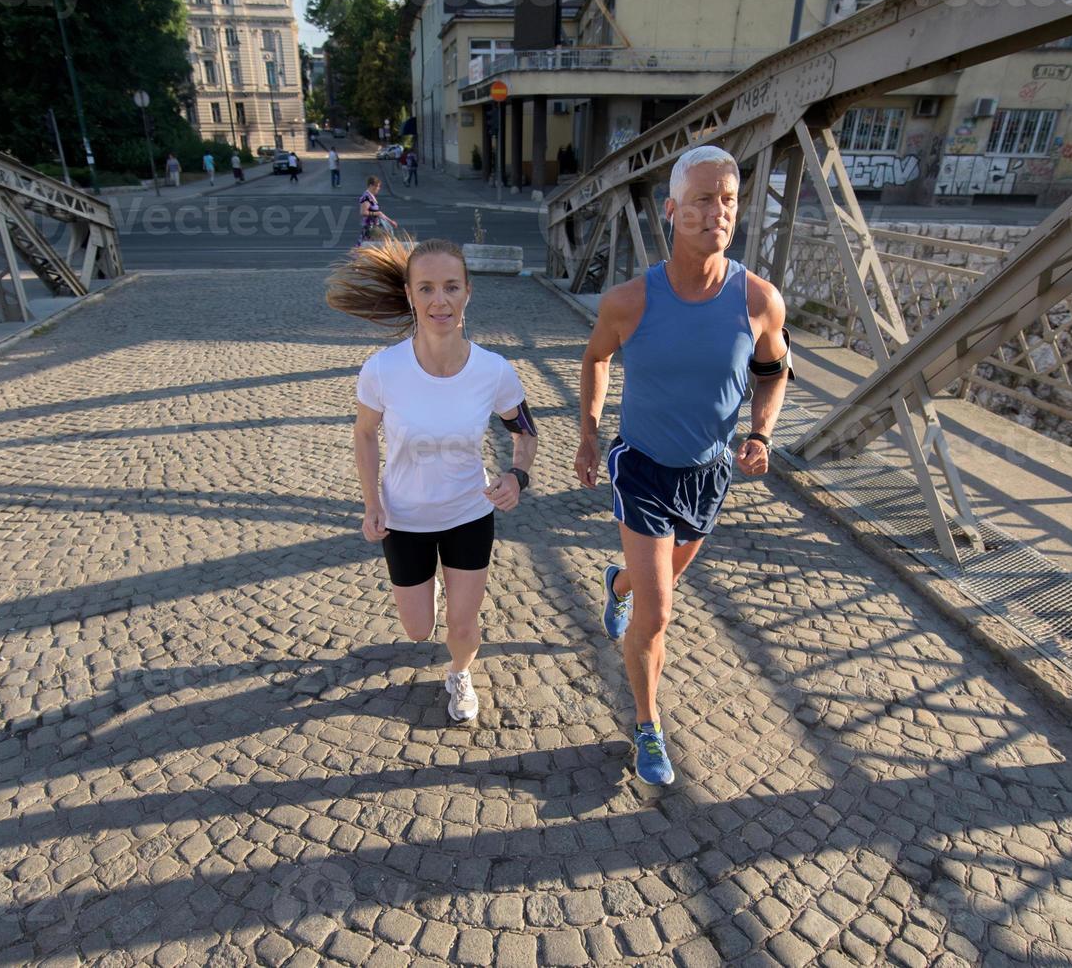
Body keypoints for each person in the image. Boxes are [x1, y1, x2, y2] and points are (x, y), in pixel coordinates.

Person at [574, 145, 789, 786]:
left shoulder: (759, 300)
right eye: (701, 199)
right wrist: (588, 432)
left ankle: (617, 584)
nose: (716, 212)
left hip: (708, 474)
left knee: (652, 581)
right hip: (641, 467)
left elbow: (774, 370)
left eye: (727, 199)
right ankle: (647, 726)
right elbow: (594, 360)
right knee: (661, 612)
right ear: (671, 210)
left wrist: (761, 432)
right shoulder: (629, 301)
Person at [328, 236, 539, 723]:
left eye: (450, 287)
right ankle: (432, 594)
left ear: (468, 292)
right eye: (426, 289)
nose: (438, 300)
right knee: (419, 629)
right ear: (409, 295)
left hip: (469, 512)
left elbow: (525, 430)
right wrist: (371, 502)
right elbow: (363, 434)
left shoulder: (494, 371)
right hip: (404, 516)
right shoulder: (382, 370)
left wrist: (517, 474)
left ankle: (460, 673)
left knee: (461, 627)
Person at [357, 176, 393, 245]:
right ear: (371, 186)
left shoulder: (371, 196)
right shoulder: (366, 197)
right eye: (377, 186)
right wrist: (376, 213)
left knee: (370, 247)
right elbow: (363, 212)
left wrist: (390, 221)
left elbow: (379, 213)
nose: (378, 189)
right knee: (384, 242)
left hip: (374, 226)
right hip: (370, 227)